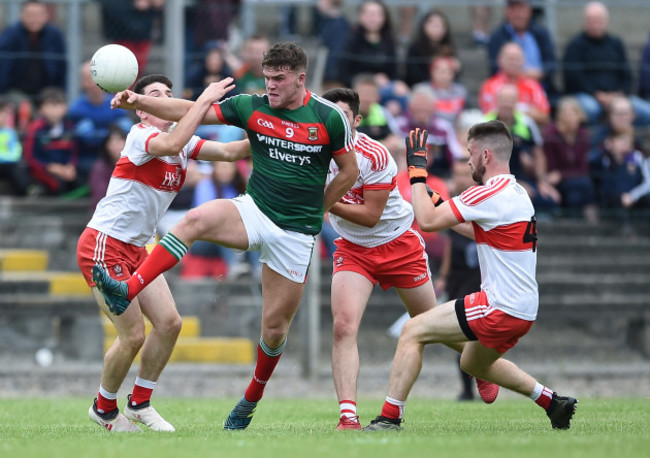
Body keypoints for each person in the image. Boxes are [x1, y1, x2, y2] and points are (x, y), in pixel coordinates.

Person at [93, 42, 359, 430]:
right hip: (255, 210)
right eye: (267, 78)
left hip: (296, 233)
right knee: (195, 220)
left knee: (274, 329)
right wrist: (137, 99)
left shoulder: (329, 118)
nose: (271, 86)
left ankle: (253, 394)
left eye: (279, 79)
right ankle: (127, 289)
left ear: (301, 79)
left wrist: (319, 209)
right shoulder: (252, 105)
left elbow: (348, 172)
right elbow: (189, 111)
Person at [363, 121, 578, 431]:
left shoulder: (487, 193)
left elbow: (425, 220)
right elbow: (473, 228)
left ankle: (389, 418)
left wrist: (417, 171)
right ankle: (553, 402)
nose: (467, 161)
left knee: (412, 331)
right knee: (472, 362)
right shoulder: (517, 193)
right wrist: (437, 199)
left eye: (470, 153)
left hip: (499, 306)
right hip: (524, 309)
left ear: (486, 155)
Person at [77, 74, 248, 432]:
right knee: (133, 335)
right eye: (155, 95)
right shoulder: (141, 136)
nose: (165, 99)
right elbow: (171, 144)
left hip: (139, 247)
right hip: (104, 245)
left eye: (169, 94)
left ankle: (139, 403)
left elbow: (233, 152)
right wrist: (203, 100)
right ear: (142, 111)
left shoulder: (183, 142)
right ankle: (104, 409)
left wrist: (277, 133)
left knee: (170, 323)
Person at [434, 158, 481, 401]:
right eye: (457, 174)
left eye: (466, 173)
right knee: (461, 334)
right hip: (457, 277)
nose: (461, 179)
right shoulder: (452, 202)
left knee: (471, 332)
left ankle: (478, 382)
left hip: (479, 277)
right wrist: (443, 276)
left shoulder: (483, 200)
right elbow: (450, 242)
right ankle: (468, 389)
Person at [562, 1, 650, 126]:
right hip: (588, 96)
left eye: (598, 19)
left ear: (606, 21)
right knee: (591, 109)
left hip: (618, 97)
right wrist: (597, 95)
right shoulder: (575, 45)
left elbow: (626, 75)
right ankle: (597, 141)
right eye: (591, 20)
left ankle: (631, 141)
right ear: (584, 22)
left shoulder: (616, 43)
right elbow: (573, 77)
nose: (595, 24)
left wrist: (619, 94)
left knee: (646, 112)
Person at [68, 61, 133, 178]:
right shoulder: (76, 110)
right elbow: (89, 139)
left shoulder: (119, 105)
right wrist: (112, 133)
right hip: (87, 158)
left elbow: (127, 133)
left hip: (116, 156)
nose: (94, 84)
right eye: (89, 79)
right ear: (82, 82)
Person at [541, 96, 598, 222]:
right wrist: (558, 175)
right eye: (566, 115)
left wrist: (562, 174)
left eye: (573, 114)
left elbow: (583, 168)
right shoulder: (551, 135)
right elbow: (550, 165)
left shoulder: (583, 135)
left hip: (572, 177)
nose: (570, 118)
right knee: (581, 186)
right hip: (556, 179)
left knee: (581, 187)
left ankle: (582, 222)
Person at [22, 87, 85, 197]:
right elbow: (30, 157)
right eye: (50, 106)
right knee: (57, 185)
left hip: (65, 169)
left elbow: (74, 153)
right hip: (42, 170)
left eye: (58, 105)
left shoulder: (69, 128)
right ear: (41, 109)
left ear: (65, 108)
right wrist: (51, 167)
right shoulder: (35, 129)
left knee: (83, 184)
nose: (54, 111)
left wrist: (70, 167)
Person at [487, 0, 557, 98]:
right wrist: (520, 75)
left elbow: (551, 63)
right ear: (506, 11)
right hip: (508, 90)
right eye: (513, 8)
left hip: (542, 87)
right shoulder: (497, 37)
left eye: (521, 8)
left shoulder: (541, 33)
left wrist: (540, 73)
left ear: (529, 10)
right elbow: (495, 67)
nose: (517, 13)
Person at [0, 0, 67, 101]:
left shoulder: (55, 35)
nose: (34, 19)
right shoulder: (11, 35)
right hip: (15, 92)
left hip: (48, 92)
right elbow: (4, 68)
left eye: (38, 15)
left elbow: (61, 69)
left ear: (46, 16)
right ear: (22, 15)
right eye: (30, 15)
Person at [479, 42, 550, 126]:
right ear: (499, 60)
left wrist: (512, 109)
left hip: (526, 135)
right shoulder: (489, 86)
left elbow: (545, 117)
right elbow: (489, 115)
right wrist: (525, 110)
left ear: (524, 60)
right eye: (510, 59)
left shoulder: (533, 86)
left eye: (517, 59)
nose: (513, 62)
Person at [404, 9, 458, 88]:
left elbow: (455, 75)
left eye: (442, 26)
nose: (438, 29)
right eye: (435, 25)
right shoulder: (415, 48)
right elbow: (413, 74)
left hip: (446, 87)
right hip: (421, 86)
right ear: (424, 26)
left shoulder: (448, 47)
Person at [0, 96, 32, 196]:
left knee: (19, 168)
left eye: (7, 113)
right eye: (2, 112)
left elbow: (16, 153)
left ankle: (28, 193)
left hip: (9, 165)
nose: (5, 116)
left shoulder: (10, 132)